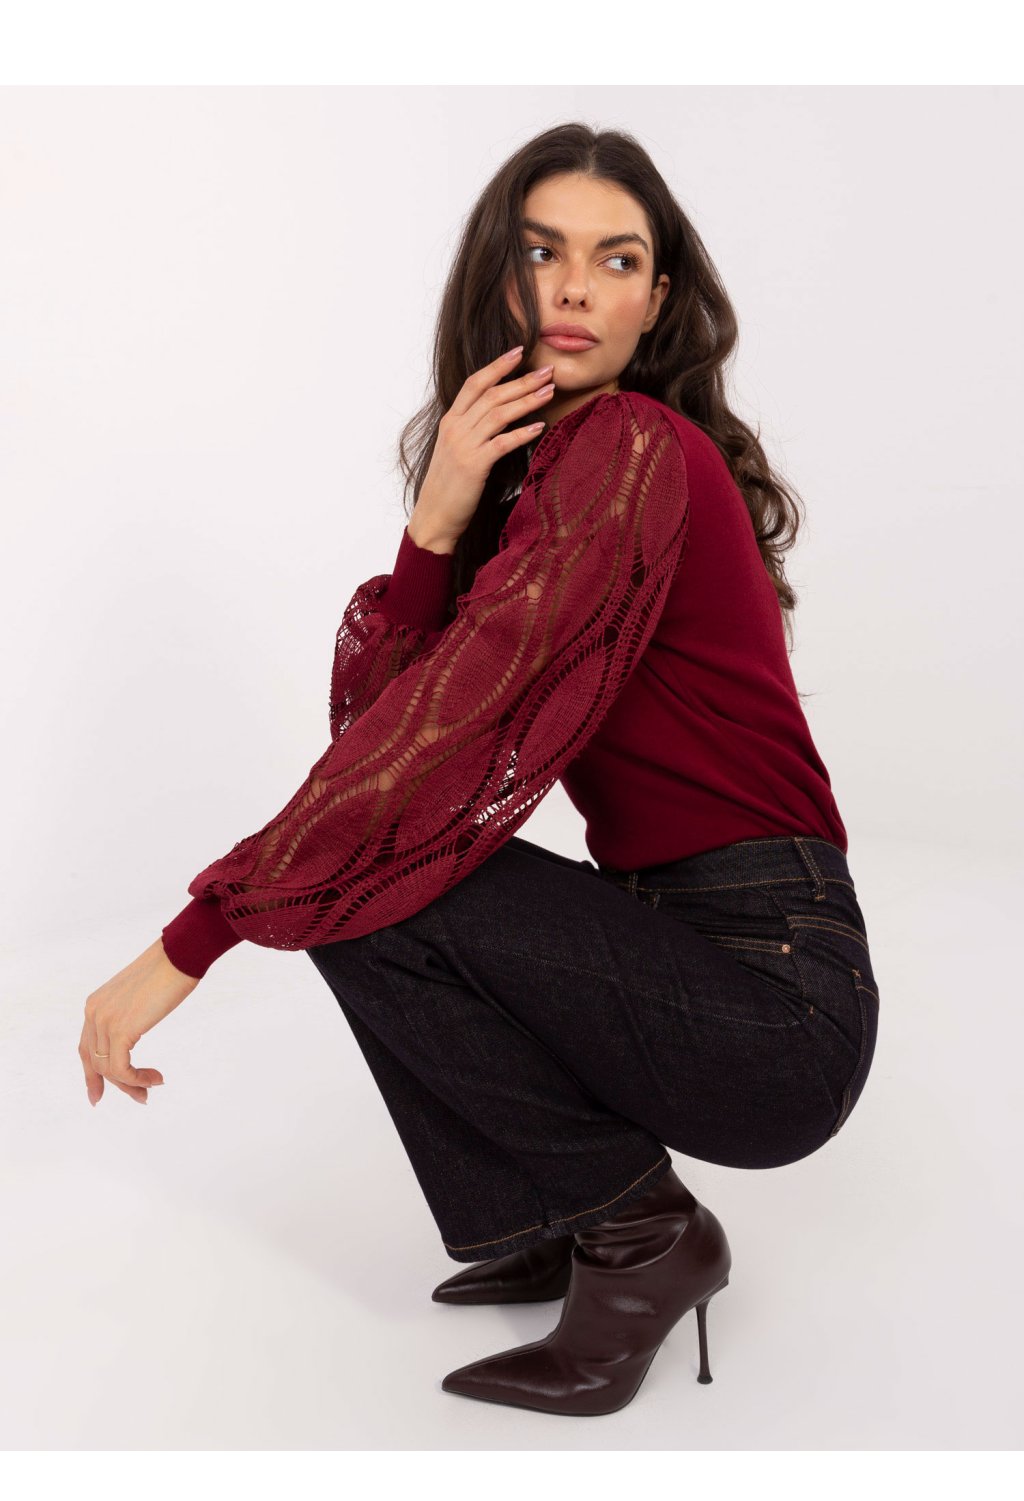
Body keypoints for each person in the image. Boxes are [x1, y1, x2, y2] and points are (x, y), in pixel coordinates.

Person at [78, 123, 879, 1417]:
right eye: (542, 253)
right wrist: (439, 516)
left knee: (374, 874)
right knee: (369, 869)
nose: (575, 288)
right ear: (497, 279)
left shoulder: (633, 448)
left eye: (616, 260)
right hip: (691, 951)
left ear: (655, 301)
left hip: (777, 997)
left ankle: (641, 1237)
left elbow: (426, 752)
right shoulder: (545, 477)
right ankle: (565, 1207)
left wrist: (191, 939)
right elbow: (379, 731)